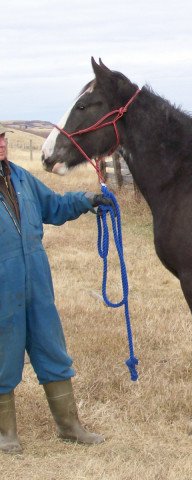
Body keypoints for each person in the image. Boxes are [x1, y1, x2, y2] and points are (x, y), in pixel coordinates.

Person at [0, 125, 112, 454]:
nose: (1, 144)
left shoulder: (20, 178)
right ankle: (6, 435)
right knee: (3, 355)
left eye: (3, 137)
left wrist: (86, 200)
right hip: (2, 283)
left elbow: (54, 206)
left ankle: (70, 427)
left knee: (51, 348)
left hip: (36, 276)